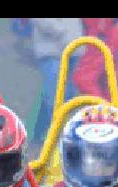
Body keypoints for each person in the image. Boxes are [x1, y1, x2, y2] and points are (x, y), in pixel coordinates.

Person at [28, 18, 83, 152]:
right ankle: (58, 138)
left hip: (73, 48)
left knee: (66, 95)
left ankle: (40, 135)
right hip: (52, 50)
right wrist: (62, 32)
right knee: (54, 97)